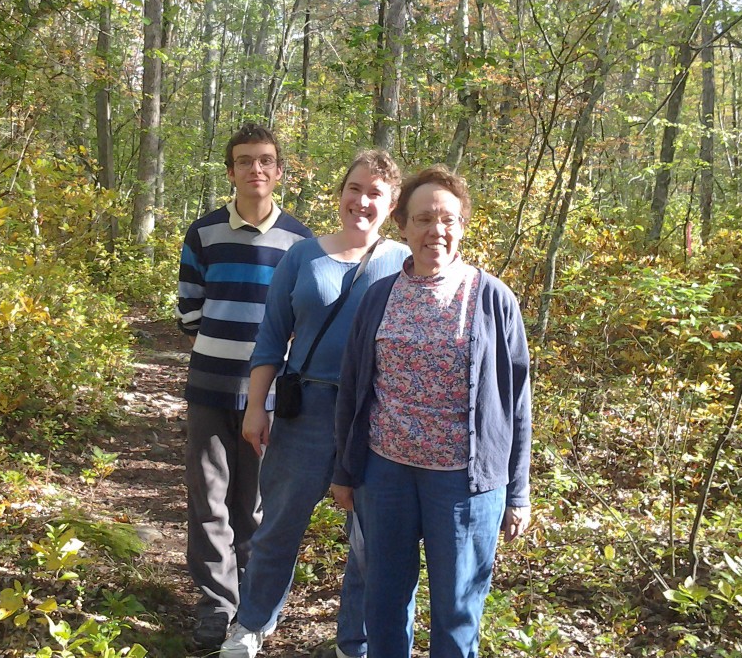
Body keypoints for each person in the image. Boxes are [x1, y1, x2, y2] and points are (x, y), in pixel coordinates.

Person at [331, 166, 532, 658]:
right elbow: (355, 387)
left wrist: (518, 490)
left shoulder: (492, 299)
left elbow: (517, 401)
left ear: (462, 226)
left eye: (447, 219)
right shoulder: (380, 296)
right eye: (422, 219)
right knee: (383, 602)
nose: (435, 231)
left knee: (457, 611)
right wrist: (345, 470)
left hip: (463, 485)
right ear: (402, 225)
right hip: (385, 475)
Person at [220, 151, 409, 658]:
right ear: (340, 193)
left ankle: (356, 641)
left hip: (374, 417)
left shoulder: (403, 263)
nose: (361, 201)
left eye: (375, 193)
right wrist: (257, 407)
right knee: (278, 525)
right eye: (354, 188)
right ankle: (252, 624)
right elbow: (271, 338)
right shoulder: (303, 256)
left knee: (370, 539)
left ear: (391, 206)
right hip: (305, 410)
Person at [176, 122, 313, 651]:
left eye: (265, 160)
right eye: (244, 160)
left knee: (255, 502)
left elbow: (303, 320)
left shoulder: (301, 241)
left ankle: (253, 606)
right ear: (230, 170)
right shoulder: (204, 232)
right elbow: (189, 313)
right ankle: (217, 604)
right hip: (209, 386)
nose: (255, 169)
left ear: (279, 171)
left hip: (272, 396)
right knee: (207, 497)